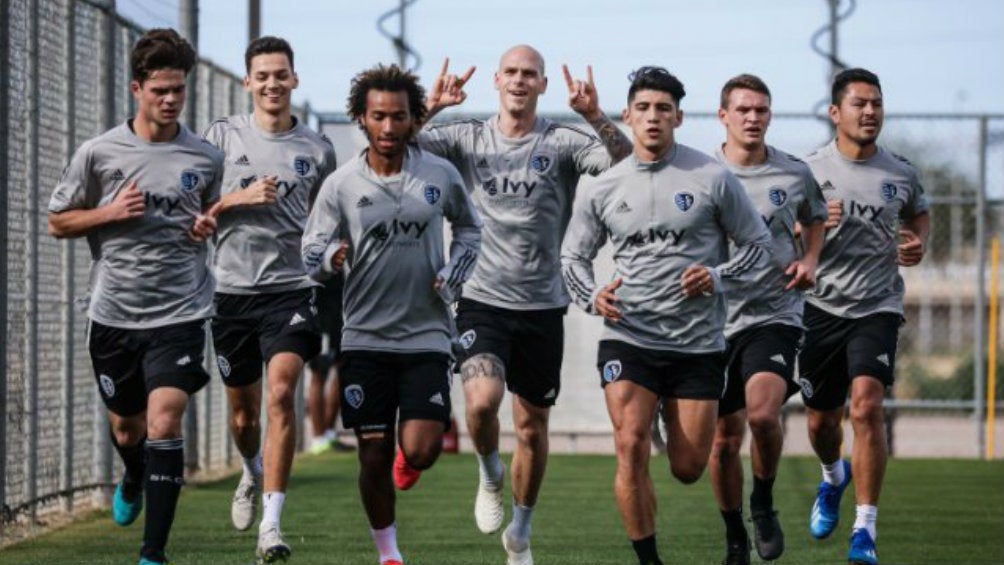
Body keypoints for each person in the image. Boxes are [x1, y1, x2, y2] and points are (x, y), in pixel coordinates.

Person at [414, 46, 632, 565]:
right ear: (496, 80)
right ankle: (489, 472)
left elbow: (628, 161)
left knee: (533, 426)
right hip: (480, 299)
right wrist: (432, 106)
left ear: (541, 86)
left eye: (529, 74)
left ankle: (522, 532)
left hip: (541, 305)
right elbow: (391, 142)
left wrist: (595, 115)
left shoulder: (560, 142)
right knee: (482, 402)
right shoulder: (466, 138)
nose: (519, 80)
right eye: (511, 72)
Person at [560, 66, 772, 565]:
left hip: (696, 343)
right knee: (629, 446)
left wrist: (717, 277)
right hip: (629, 338)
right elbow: (572, 258)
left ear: (678, 116)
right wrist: (593, 298)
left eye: (662, 109)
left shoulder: (711, 177)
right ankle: (650, 561)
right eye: (643, 108)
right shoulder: (601, 187)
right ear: (627, 116)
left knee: (687, 467)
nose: (652, 117)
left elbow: (759, 246)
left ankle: (671, 426)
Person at [47, 29, 223, 565]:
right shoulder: (98, 153)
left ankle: (153, 552)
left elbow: (213, 215)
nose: (170, 100)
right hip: (115, 313)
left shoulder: (206, 156)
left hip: (181, 310)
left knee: (166, 420)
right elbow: (58, 221)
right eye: (159, 90)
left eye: (178, 90)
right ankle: (132, 473)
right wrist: (108, 213)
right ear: (136, 89)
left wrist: (206, 226)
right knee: (128, 426)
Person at [302, 63, 482, 565]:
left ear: (412, 119)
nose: (387, 127)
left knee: (421, 450)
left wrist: (455, 271)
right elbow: (309, 250)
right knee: (372, 453)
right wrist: (328, 260)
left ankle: (414, 454)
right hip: (363, 337)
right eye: (377, 116)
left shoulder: (439, 175)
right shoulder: (340, 184)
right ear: (361, 117)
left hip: (426, 332)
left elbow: (471, 229)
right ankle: (390, 554)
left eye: (398, 117)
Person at [202, 35, 336, 563]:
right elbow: (196, 209)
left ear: (294, 80)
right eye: (263, 75)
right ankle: (252, 470)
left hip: (292, 292)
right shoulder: (219, 139)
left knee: (283, 394)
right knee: (243, 417)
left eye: (281, 74)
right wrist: (238, 196)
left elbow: (328, 217)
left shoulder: (317, 150)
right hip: (231, 293)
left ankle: (272, 527)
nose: (272, 83)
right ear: (248, 82)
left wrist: (332, 252)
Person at [799, 68, 929, 565]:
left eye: (877, 103)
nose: (870, 111)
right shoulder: (806, 170)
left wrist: (919, 242)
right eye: (860, 103)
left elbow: (919, 212)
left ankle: (864, 530)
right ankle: (833, 477)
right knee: (820, 423)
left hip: (877, 306)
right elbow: (782, 232)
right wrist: (811, 225)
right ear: (836, 113)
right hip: (818, 306)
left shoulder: (901, 172)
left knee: (866, 408)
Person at [707, 74, 829, 565]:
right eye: (743, 110)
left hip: (775, 313)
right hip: (713, 323)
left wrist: (811, 260)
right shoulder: (703, 173)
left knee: (762, 414)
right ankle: (735, 534)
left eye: (761, 110)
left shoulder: (793, 173)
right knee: (722, 440)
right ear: (724, 116)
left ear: (770, 115)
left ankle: (762, 500)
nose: (752, 118)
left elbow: (816, 217)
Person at [306, 274, 353, 455]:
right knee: (319, 372)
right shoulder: (313, 251)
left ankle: (329, 432)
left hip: (337, 316)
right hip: (320, 317)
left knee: (343, 368)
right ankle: (318, 438)